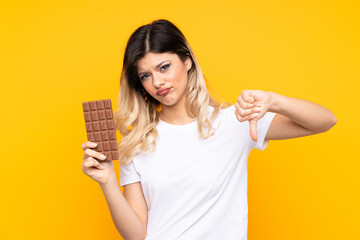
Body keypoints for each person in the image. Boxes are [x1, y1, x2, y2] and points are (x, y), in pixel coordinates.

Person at [81, 19, 337, 240]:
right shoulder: (137, 141)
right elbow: (137, 234)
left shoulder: (235, 122)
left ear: (187, 61)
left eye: (164, 67)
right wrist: (108, 182)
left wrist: (274, 100)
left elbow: (325, 121)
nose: (157, 82)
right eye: (145, 75)